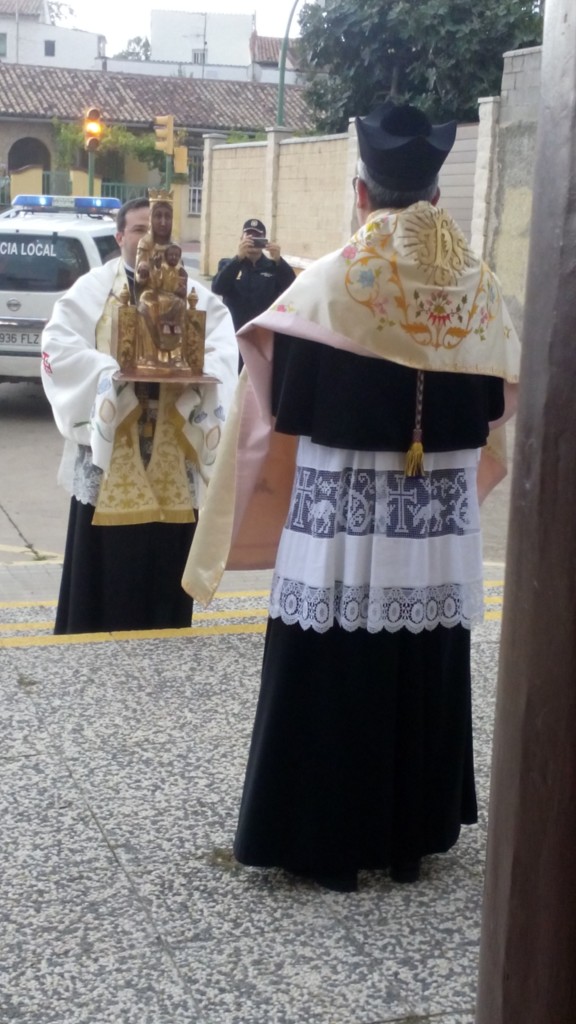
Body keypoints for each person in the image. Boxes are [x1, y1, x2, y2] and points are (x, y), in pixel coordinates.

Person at [183, 101, 521, 892]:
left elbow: (281, 391)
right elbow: (498, 401)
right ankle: (410, 838)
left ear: (364, 196)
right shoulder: (478, 286)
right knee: (417, 650)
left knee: (335, 656)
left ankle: (327, 839)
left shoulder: (333, 280)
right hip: (434, 513)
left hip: (343, 507)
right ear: (436, 197)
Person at [41, 195, 237, 634]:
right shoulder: (93, 289)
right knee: (102, 561)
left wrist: (196, 374)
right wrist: (110, 376)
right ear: (119, 237)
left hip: (172, 438)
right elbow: (59, 346)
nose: (148, 235)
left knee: (167, 554)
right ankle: (92, 637)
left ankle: (165, 635)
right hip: (114, 447)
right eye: (137, 229)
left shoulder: (193, 293)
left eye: (155, 226)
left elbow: (224, 346)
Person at [211, 218, 296, 369]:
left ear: (264, 241)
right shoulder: (228, 265)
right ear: (241, 239)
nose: (252, 242)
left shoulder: (272, 267)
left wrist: (279, 261)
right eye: (248, 237)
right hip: (234, 334)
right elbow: (218, 288)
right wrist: (238, 259)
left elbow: (292, 288)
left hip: (262, 337)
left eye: (257, 237)